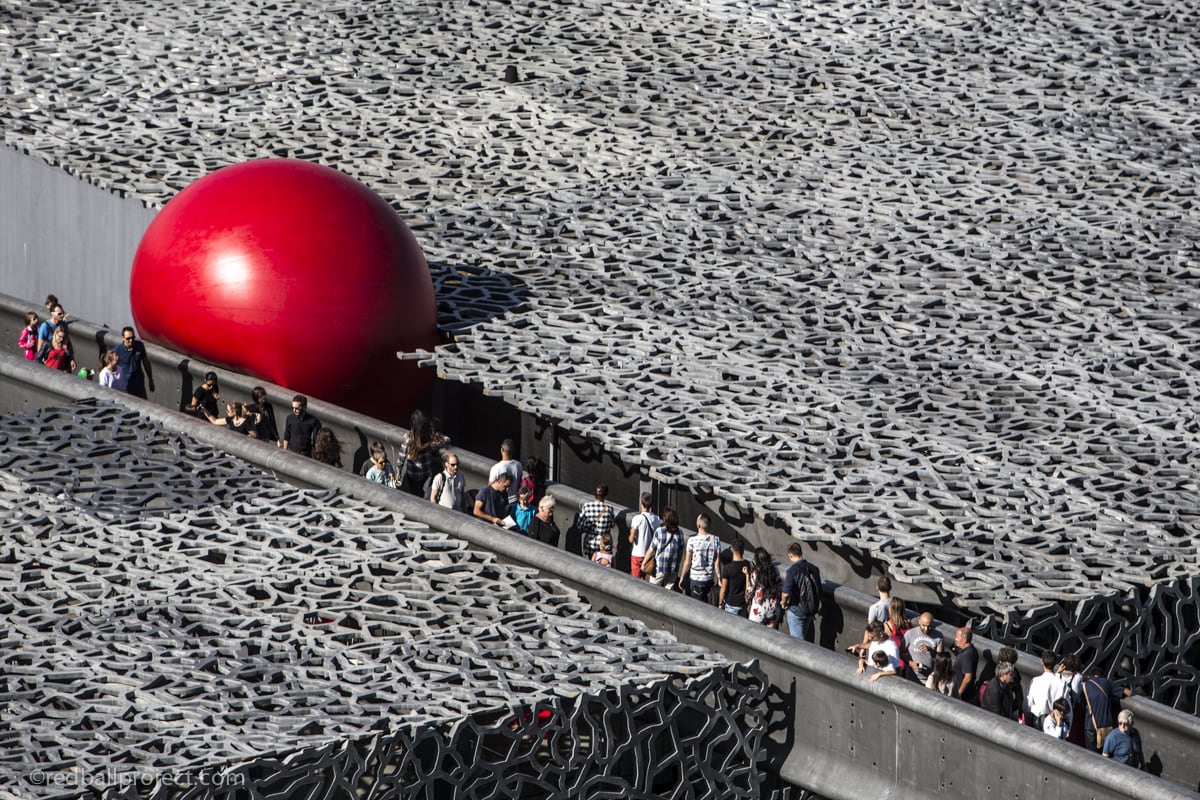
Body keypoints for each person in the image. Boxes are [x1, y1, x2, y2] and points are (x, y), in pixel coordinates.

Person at [1079, 673, 1133, 752]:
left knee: (1091, 755)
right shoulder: (1107, 682)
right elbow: (1127, 692)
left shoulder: (1084, 686)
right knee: (1106, 753)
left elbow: (1082, 705)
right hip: (1106, 726)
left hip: (1090, 725)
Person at [399, 410, 447, 496]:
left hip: (412, 472)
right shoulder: (428, 437)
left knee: (412, 490)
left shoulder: (408, 437)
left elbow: (401, 457)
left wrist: (398, 472)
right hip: (425, 472)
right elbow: (444, 441)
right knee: (420, 489)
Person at [780, 542, 821, 640]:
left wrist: (783, 603)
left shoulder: (792, 571)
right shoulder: (814, 569)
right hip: (811, 610)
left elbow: (785, 593)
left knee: (797, 644)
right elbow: (819, 589)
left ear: (790, 555)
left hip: (796, 611)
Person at [678, 513, 721, 604]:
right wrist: (719, 578)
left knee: (696, 606)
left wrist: (682, 577)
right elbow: (717, 562)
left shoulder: (692, 540)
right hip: (709, 578)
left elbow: (687, 562)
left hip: (696, 578)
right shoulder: (716, 540)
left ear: (698, 525)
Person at [1026, 650, 1068, 729]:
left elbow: (1028, 704)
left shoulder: (1035, 681)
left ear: (1042, 662)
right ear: (1055, 663)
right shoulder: (1062, 683)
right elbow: (1065, 705)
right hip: (1054, 723)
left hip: (1036, 722)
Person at [644, 508, 684, 590]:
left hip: (660, 567)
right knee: (668, 592)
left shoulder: (659, 531)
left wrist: (644, 563)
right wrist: (677, 566)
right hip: (673, 568)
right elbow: (680, 553)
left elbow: (651, 550)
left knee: (652, 590)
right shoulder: (680, 533)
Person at [114, 327, 155, 399]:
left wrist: (150, 379)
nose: (131, 340)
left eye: (133, 338)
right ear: (123, 338)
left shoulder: (139, 346)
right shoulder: (117, 350)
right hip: (126, 387)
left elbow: (146, 362)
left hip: (139, 385)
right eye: (128, 338)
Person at [578, 483, 616, 561]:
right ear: (605, 495)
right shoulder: (609, 509)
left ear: (594, 494)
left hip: (590, 543)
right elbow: (612, 525)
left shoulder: (587, 506)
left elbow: (579, 525)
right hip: (603, 545)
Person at [627, 492, 661, 579]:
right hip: (650, 555)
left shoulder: (637, 519)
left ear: (641, 503)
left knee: (637, 580)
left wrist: (631, 534)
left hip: (637, 554)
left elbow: (631, 539)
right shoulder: (657, 519)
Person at [746, 546, 781, 627]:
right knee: (770, 636)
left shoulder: (756, 573)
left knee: (753, 631)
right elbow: (779, 587)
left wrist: (747, 575)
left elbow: (749, 591)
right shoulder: (775, 570)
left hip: (759, 609)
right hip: (773, 608)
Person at [904, 613, 945, 683]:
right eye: (924, 625)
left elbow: (941, 659)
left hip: (928, 679)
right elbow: (901, 652)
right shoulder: (910, 633)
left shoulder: (938, 636)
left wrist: (931, 651)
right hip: (910, 676)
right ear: (919, 621)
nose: (926, 629)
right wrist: (911, 664)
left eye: (929, 626)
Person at [718, 538, 748, 615]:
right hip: (743, 603)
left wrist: (720, 603)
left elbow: (723, 589)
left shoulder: (727, 568)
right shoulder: (748, 565)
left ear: (732, 549)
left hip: (731, 604)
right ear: (743, 550)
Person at [488, 438, 523, 504]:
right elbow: (519, 483)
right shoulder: (519, 465)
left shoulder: (496, 468)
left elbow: (490, 488)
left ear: (502, 450)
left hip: (500, 502)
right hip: (515, 501)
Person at [951, 626, 979, 703]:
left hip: (963, 697)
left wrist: (958, 694)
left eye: (957, 637)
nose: (955, 639)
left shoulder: (967, 654)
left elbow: (968, 677)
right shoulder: (970, 651)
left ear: (964, 639)